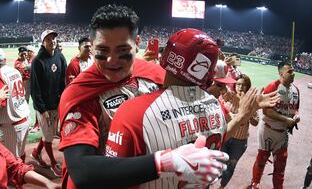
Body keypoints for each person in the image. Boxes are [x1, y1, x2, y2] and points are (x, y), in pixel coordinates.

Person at [59, 4, 240, 189]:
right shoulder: (80, 92)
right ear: (92, 47)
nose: (112, 60)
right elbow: (82, 171)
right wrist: (165, 162)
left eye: (122, 51)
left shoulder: (153, 71)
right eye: (102, 51)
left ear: (137, 43)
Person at [105, 28, 279, 188]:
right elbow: (221, 136)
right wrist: (242, 116)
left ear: (169, 57)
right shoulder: (216, 107)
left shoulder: (133, 112)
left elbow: (112, 178)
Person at [248, 61, 300, 189]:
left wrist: (296, 116)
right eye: (290, 72)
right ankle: (255, 183)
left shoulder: (296, 90)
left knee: (281, 164)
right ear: (281, 73)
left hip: (283, 133)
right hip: (267, 130)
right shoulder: (272, 87)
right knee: (261, 160)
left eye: (293, 71)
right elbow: (267, 111)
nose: (293, 74)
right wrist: (285, 120)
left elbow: (296, 109)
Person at [30, 29, 67, 177]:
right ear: (43, 42)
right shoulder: (38, 61)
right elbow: (35, 89)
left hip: (56, 104)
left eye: (54, 38)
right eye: (48, 39)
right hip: (43, 107)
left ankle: (36, 152)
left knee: (49, 133)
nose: (52, 41)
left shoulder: (60, 56)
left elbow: (63, 82)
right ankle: (52, 162)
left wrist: (61, 101)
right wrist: (43, 110)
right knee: (49, 136)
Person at [0, 47, 30, 162]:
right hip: (24, 118)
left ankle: (15, 179)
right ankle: (23, 178)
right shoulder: (14, 71)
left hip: (11, 125)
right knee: (20, 154)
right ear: (4, 60)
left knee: (10, 160)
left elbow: (0, 102)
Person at [218, 74, 259, 189]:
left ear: (248, 87)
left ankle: (221, 187)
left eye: (244, 85)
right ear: (235, 85)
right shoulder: (230, 96)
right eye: (238, 84)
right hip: (225, 136)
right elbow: (222, 92)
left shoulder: (251, 102)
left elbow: (256, 122)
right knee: (217, 162)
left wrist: (247, 113)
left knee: (230, 166)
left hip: (239, 142)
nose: (240, 87)